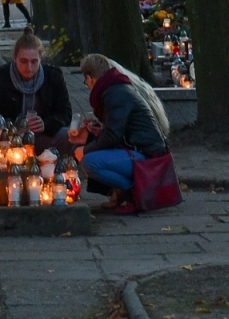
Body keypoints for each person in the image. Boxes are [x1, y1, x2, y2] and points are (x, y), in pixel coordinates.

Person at [70, 53, 171, 212]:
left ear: (90, 78)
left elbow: (112, 136)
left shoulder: (115, 93)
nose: (87, 85)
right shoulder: (117, 88)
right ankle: (121, 192)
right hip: (141, 149)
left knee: (90, 162)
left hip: (146, 155)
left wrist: (85, 150)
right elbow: (119, 128)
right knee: (91, 153)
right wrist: (98, 129)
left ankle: (132, 191)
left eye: (86, 81)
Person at [0, 27, 72, 153]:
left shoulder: (53, 76)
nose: (29, 67)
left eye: (34, 62)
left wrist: (45, 124)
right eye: (23, 61)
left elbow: (65, 113)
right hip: (8, 137)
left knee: (68, 135)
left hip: (42, 135)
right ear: (15, 58)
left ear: (41, 58)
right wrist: (14, 125)